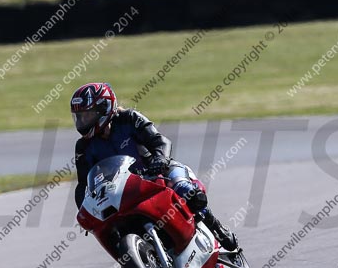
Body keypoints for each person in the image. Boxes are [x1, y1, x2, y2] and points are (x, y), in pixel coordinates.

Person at [70, 82, 238, 250]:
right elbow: (83, 185)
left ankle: (217, 228)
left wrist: (160, 160)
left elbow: (160, 141)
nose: (82, 121)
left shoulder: (129, 118)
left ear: (104, 108)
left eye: (87, 115)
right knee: (111, 231)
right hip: (123, 192)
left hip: (157, 172)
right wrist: (85, 210)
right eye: (79, 117)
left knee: (185, 191)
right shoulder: (83, 147)